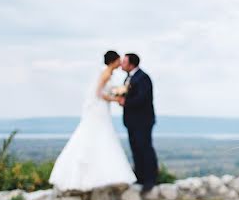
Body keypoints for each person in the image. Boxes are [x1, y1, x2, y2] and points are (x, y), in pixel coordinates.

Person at [48, 51, 137, 191]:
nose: (120, 63)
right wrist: (116, 99)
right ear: (113, 61)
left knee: (101, 136)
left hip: (102, 109)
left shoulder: (107, 73)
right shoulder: (106, 73)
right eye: (119, 60)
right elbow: (99, 93)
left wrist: (118, 92)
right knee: (100, 135)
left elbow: (106, 90)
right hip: (99, 109)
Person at [117, 53, 158, 192]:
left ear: (132, 64)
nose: (122, 64)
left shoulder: (143, 78)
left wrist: (125, 102)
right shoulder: (128, 78)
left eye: (124, 62)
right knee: (136, 149)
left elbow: (142, 99)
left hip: (143, 121)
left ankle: (150, 180)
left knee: (145, 149)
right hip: (131, 121)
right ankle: (139, 176)